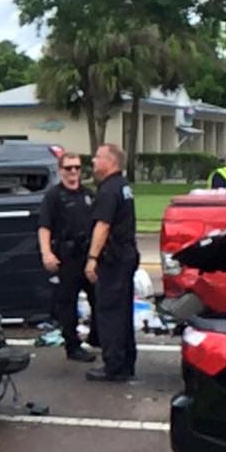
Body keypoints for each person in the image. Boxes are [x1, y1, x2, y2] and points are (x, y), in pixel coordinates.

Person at [84, 144, 140, 382]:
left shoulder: (108, 190)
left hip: (113, 259)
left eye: (98, 157)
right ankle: (126, 362)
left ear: (111, 162)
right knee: (123, 311)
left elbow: (103, 226)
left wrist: (92, 258)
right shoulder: (123, 187)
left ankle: (113, 365)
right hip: (126, 255)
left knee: (110, 312)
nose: (94, 161)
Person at [37, 152, 99, 362]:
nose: (73, 171)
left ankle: (96, 337)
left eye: (77, 167)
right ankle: (73, 346)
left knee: (98, 298)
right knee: (68, 304)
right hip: (66, 258)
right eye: (69, 168)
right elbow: (44, 226)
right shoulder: (54, 196)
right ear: (60, 170)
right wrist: (47, 253)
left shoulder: (88, 195)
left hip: (87, 256)